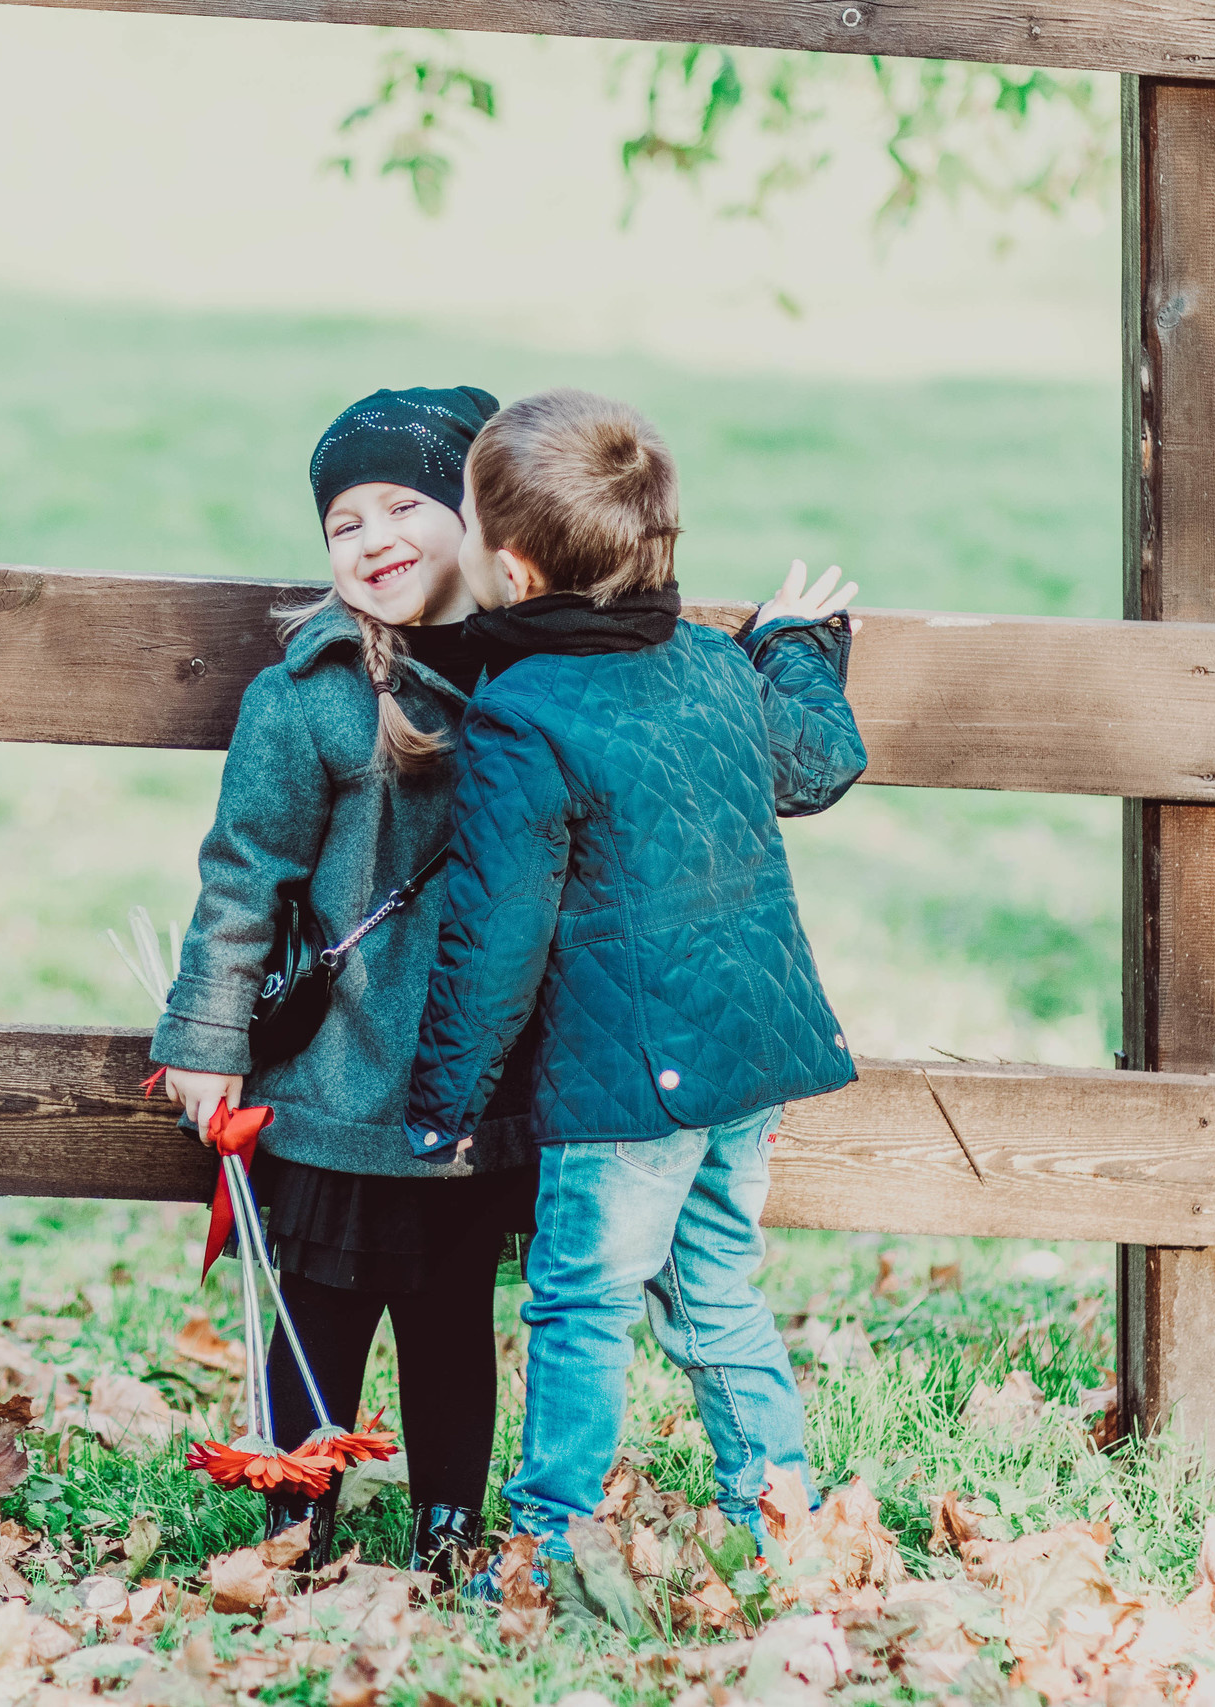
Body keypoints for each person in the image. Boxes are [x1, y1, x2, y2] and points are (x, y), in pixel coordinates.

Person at [401, 388, 866, 1568]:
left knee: (580, 1306)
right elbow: (819, 759)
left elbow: (494, 932)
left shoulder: (523, 714)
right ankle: (781, 1520)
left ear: (510, 569)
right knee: (715, 1291)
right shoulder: (712, 663)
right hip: (745, 1055)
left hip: (624, 1083)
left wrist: (442, 1100)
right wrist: (792, 648)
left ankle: (548, 1547)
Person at [151, 385, 535, 1586]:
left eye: (402, 506)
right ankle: (293, 1519)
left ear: (477, 514)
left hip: (473, 1089)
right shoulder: (309, 695)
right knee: (315, 1313)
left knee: (450, 1321)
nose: (372, 539)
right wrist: (205, 1035)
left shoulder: (543, 677)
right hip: (334, 1080)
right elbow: (242, 879)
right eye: (343, 523)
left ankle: (446, 1527)